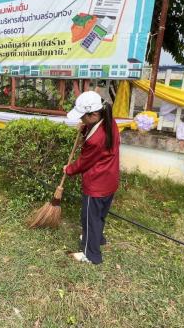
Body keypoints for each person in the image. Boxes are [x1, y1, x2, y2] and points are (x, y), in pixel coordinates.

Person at [64, 91, 120, 264]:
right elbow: (92, 131)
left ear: (94, 114)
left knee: (89, 218)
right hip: (109, 180)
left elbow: (84, 162)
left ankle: (91, 254)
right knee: (99, 215)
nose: (81, 120)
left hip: (96, 184)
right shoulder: (109, 122)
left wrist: (69, 169)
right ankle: (98, 238)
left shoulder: (96, 139)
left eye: (83, 117)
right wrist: (85, 129)